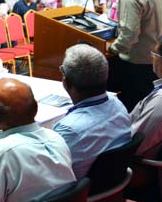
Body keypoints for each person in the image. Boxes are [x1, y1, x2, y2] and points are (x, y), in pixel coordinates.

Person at [54, 45, 131, 179]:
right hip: (109, 185)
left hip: (78, 190)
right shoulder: (118, 104)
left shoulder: (69, 130)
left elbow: (49, 176)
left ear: (66, 81)